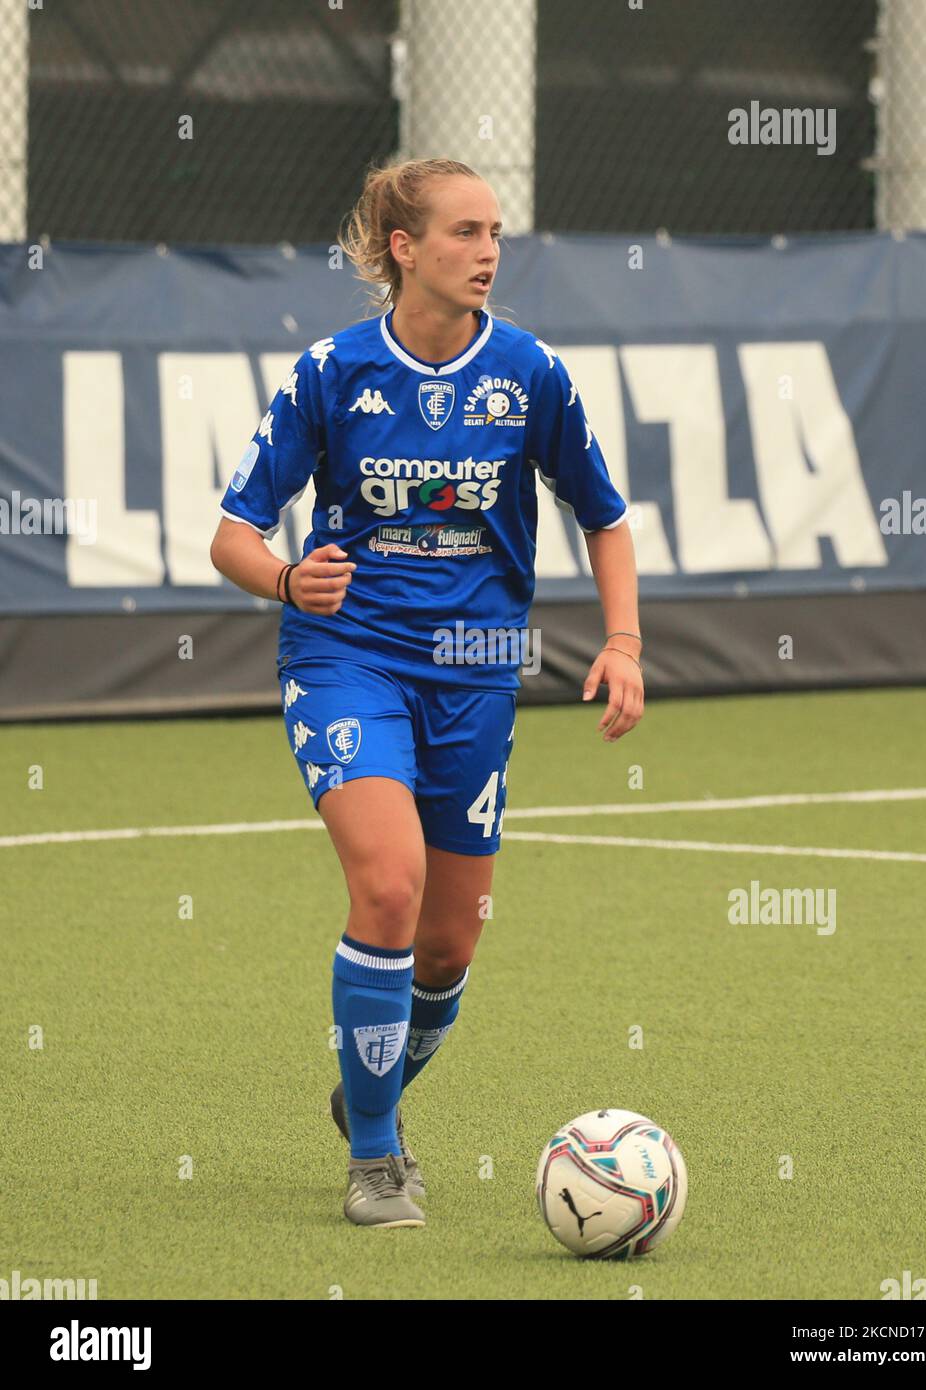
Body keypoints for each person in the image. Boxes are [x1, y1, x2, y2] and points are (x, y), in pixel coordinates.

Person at [210, 157, 644, 1230]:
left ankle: (367, 1091)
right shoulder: (331, 372)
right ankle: (375, 1157)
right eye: (463, 231)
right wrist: (283, 577)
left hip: (477, 676)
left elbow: (605, 514)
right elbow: (232, 532)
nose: (488, 249)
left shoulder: (532, 374)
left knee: (449, 948)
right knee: (390, 890)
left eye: (495, 230)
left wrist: (624, 640)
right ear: (404, 248)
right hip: (345, 658)